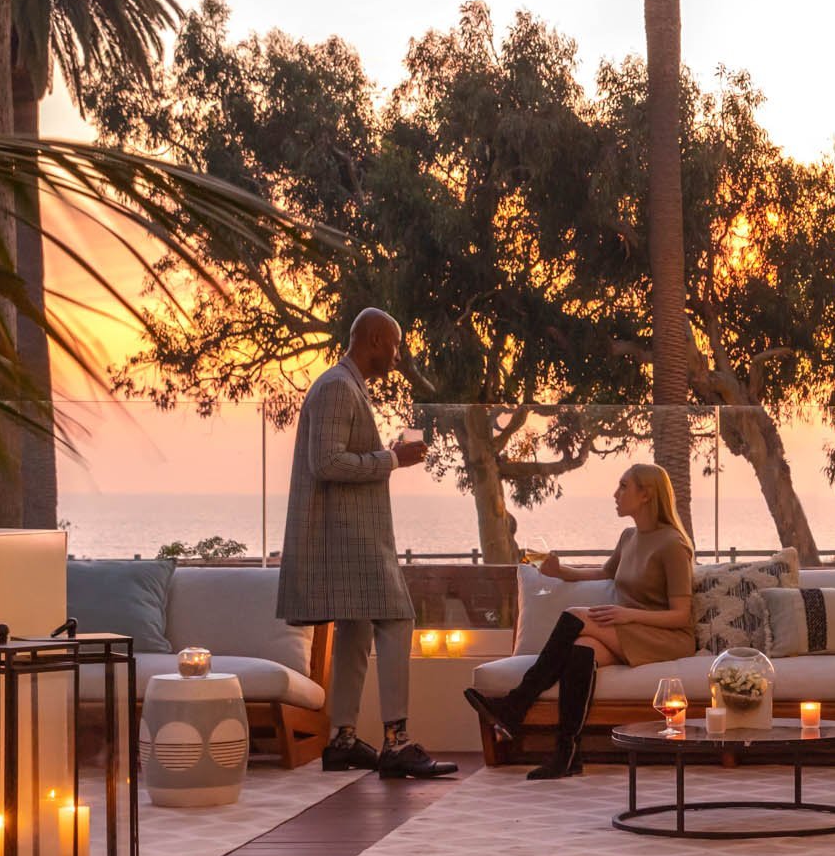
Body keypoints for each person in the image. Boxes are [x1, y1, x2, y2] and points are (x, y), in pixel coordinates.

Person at [275, 308, 456, 780]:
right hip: (348, 538)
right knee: (398, 617)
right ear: (374, 339)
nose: (397, 357)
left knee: (355, 629)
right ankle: (396, 742)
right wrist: (391, 459)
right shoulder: (337, 386)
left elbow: (336, 457)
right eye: (394, 346)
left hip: (348, 534)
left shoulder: (343, 385)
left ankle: (342, 740)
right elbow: (327, 463)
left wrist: (388, 456)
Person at [466, 463, 697, 779]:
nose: (615, 494)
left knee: (575, 616)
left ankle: (515, 705)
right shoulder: (629, 537)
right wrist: (560, 572)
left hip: (664, 636)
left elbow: (681, 615)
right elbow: (605, 574)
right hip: (629, 631)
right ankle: (567, 754)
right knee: (581, 649)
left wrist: (626, 614)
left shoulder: (672, 544)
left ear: (646, 494)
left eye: (623, 486)